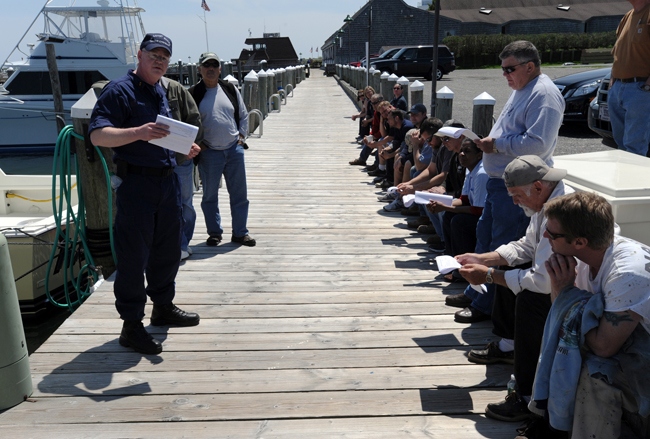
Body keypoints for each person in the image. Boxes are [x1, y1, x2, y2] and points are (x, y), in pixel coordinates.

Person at [89, 33, 202, 355]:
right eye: (154, 54)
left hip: (167, 182)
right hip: (137, 185)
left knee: (168, 250)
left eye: (164, 57)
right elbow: (97, 135)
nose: (159, 61)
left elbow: (162, 137)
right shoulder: (119, 90)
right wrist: (137, 132)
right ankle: (131, 326)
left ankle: (162, 307)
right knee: (133, 256)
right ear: (139, 55)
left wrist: (184, 148)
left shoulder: (161, 91)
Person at [521, 192, 650, 438]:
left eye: (552, 234)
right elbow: (563, 316)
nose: (545, 236)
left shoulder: (626, 274)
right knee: (555, 339)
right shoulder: (584, 257)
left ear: (580, 242)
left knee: (593, 372)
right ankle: (547, 420)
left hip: (641, 356)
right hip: (628, 342)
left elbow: (603, 347)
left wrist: (564, 292)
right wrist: (561, 291)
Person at [455, 156, 572, 426]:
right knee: (510, 270)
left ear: (538, 187)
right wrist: (484, 258)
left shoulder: (561, 210)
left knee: (530, 297)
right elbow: (526, 246)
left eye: (517, 195)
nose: (515, 202)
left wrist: (489, 275)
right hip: (560, 280)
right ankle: (509, 345)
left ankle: (528, 395)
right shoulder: (544, 200)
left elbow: (543, 282)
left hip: (576, 291)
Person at [456, 40, 565, 324]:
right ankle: (477, 293)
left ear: (529, 66)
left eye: (509, 69)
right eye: (503, 69)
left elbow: (538, 144)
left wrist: (497, 145)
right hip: (499, 183)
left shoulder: (544, 94)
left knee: (504, 243)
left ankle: (488, 306)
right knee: (486, 238)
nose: (504, 75)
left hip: (519, 186)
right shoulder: (524, 88)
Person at [189, 52, 255, 247]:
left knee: (240, 195)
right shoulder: (193, 93)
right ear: (200, 69)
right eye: (206, 65)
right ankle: (214, 233)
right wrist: (199, 144)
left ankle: (240, 233)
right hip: (209, 153)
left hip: (234, 150)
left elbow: (243, 115)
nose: (210, 68)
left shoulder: (230, 88)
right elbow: (187, 122)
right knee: (209, 196)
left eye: (214, 65)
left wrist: (241, 137)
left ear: (220, 69)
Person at [163, 77, 204, 261]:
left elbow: (194, 118)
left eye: (163, 61)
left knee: (185, 203)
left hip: (180, 159)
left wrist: (188, 144)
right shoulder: (135, 88)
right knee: (161, 205)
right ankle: (171, 245)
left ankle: (183, 243)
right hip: (153, 162)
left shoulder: (176, 88)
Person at [427, 138, 487, 263]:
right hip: (477, 211)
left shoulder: (481, 173)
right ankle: (451, 259)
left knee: (459, 221)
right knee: (448, 215)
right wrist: (439, 204)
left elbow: (478, 210)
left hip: (487, 219)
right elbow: (463, 200)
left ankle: (463, 264)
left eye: (467, 151)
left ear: (479, 155)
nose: (462, 154)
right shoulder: (469, 169)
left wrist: (444, 207)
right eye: (461, 151)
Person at [608, 0, 650, 156]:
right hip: (618, 88)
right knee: (621, 146)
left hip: (640, 90)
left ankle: (637, 173)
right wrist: (612, 83)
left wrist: (647, 86)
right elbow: (617, 52)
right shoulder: (627, 16)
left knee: (635, 148)